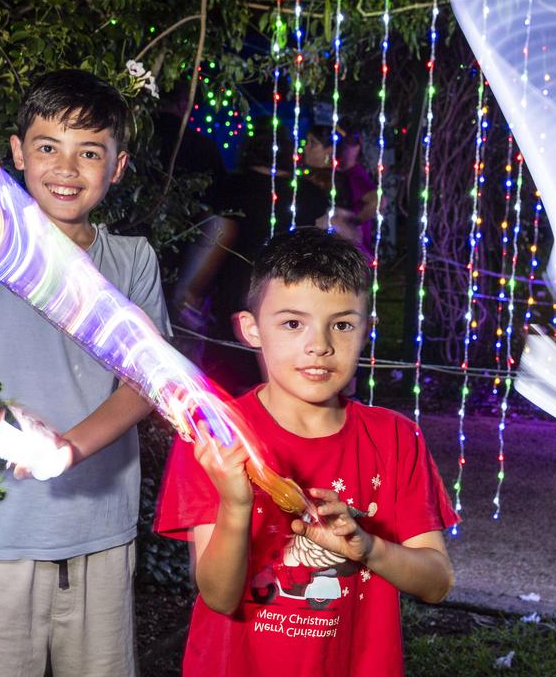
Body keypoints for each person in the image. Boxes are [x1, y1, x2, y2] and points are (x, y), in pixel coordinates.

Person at [0, 69, 170, 676]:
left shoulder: (132, 260)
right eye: (48, 147)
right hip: (0, 532)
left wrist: (69, 448)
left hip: (100, 532)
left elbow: (146, 385)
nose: (66, 169)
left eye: (89, 152)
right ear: (18, 154)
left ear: (117, 166)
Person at [155, 227, 458, 676]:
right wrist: (237, 505)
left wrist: (367, 546)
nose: (320, 344)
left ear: (366, 330)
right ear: (251, 329)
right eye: (293, 323)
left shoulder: (396, 439)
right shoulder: (217, 438)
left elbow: (437, 583)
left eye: (342, 324)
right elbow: (218, 596)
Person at [173, 125, 330, 394]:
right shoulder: (308, 194)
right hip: (296, 302)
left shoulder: (231, 188)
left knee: (234, 388)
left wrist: (189, 291)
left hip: (238, 300)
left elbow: (214, 240)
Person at [303, 126, 379, 254]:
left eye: (313, 143)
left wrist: (354, 222)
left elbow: (377, 200)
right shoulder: (335, 175)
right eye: (307, 142)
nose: (306, 148)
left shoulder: (335, 179)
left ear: (330, 149)